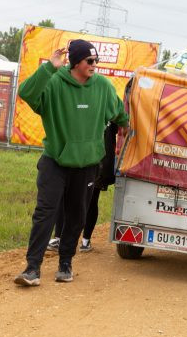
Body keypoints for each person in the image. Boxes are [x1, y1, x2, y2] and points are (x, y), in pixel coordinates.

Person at [14, 40, 129, 286]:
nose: (94, 65)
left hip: (87, 164)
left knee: (77, 215)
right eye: (89, 61)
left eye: (96, 61)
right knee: (45, 213)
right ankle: (32, 268)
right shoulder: (54, 83)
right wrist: (49, 68)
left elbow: (118, 111)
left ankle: (65, 263)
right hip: (55, 160)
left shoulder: (102, 86)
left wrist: (127, 126)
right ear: (75, 62)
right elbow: (25, 92)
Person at [47, 122, 119, 253]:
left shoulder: (110, 106)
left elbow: (123, 129)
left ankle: (85, 241)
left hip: (100, 162)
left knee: (91, 200)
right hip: (78, 157)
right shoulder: (82, 104)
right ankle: (58, 238)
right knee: (65, 196)